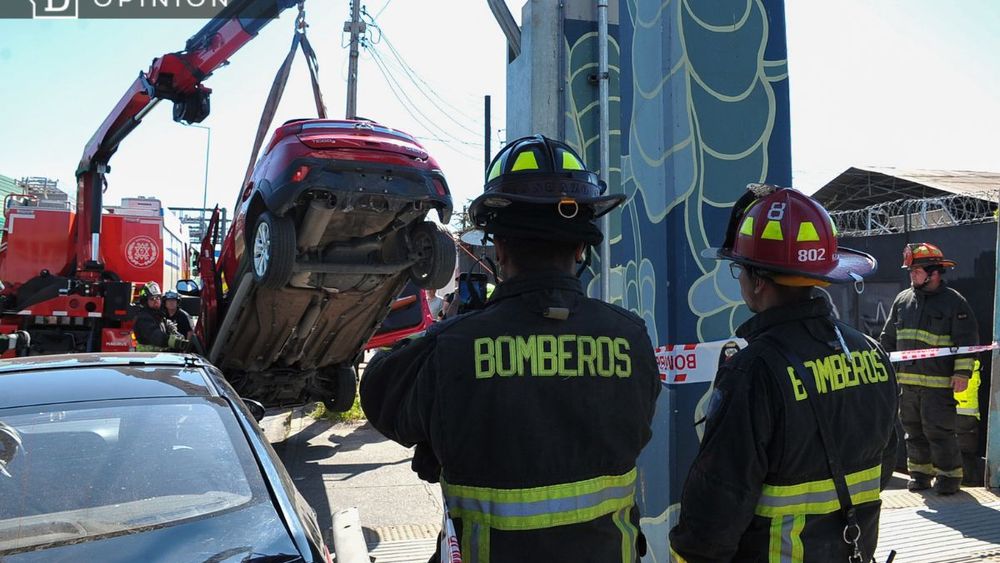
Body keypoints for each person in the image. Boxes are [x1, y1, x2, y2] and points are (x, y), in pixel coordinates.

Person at [360, 135, 661, 563]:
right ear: (581, 247)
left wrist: (450, 334)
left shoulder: (453, 348)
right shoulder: (631, 339)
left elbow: (378, 392)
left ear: (499, 247)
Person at [669, 184, 898, 563]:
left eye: (738, 270)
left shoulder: (755, 369)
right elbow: (885, 463)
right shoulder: (870, 353)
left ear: (758, 280)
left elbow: (716, 508)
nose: (740, 281)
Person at [880, 242, 979, 495]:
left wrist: (961, 373)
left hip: (938, 385)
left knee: (940, 431)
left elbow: (967, 342)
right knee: (912, 431)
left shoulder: (954, 303)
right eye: (911, 271)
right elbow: (888, 338)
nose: (912, 275)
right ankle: (920, 475)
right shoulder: (903, 301)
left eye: (917, 271)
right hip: (908, 385)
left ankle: (949, 477)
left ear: (934, 273)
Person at [133, 282, 189, 352]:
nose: (156, 301)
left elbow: (170, 331)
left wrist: (177, 335)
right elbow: (156, 336)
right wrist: (176, 342)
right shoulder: (143, 318)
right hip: (147, 359)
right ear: (145, 301)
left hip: (159, 358)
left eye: (158, 297)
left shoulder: (160, 316)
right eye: (152, 298)